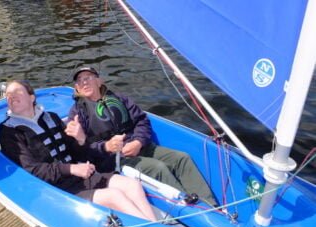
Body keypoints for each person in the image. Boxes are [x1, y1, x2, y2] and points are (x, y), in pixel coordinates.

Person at [0, 80, 157, 221]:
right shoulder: (8, 131)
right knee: (115, 196)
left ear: (31, 97)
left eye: (16, 92)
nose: (11, 96)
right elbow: (32, 170)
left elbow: (77, 152)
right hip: (53, 188)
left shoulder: (51, 117)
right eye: (8, 95)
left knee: (132, 185)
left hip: (79, 177)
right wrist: (72, 168)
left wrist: (80, 139)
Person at [68, 67, 218, 206]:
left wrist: (138, 142)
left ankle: (211, 205)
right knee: (158, 168)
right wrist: (106, 147)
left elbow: (141, 121)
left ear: (99, 81)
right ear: (77, 88)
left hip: (140, 146)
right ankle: (193, 210)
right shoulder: (77, 114)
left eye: (88, 77)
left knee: (181, 158)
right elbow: (80, 151)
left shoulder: (120, 99)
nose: (84, 82)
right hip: (113, 159)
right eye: (79, 81)